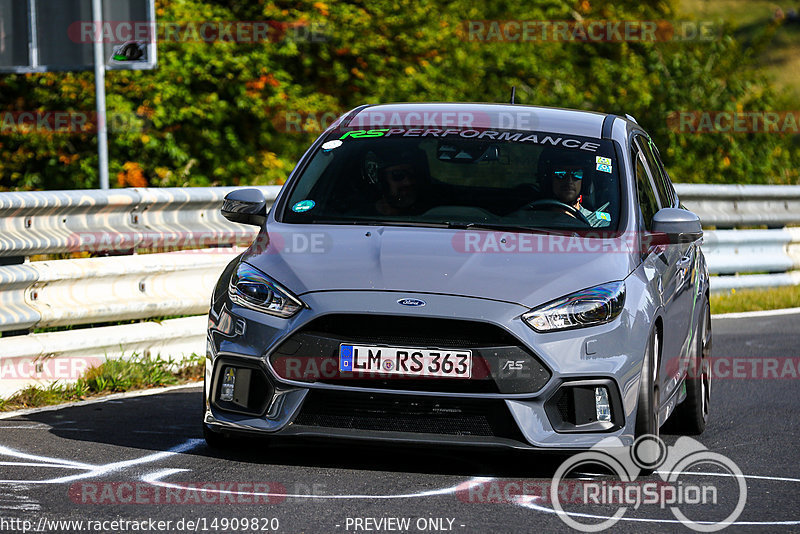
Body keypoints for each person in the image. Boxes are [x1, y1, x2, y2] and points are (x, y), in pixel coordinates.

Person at [538, 150, 611, 227]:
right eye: (561, 173)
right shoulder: (534, 219)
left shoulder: (597, 223)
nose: (569, 181)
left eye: (577, 174)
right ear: (549, 180)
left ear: (584, 181)